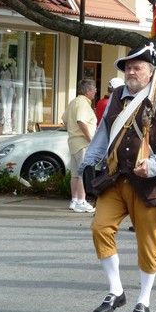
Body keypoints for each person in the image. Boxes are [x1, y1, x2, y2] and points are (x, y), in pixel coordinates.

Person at [80, 43, 156, 312]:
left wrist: (155, 165)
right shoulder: (116, 97)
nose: (131, 71)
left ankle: (143, 300)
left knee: (147, 243)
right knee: (100, 227)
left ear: (151, 72)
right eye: (128, 67)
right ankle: (116, 290)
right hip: (115, 178)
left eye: (137, 67)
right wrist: (90, 161)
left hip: (146, 182)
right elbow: (103, 132)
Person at [62, 79, 98, 213]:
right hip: (83, 142)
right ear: (88, 91)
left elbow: (65, 120)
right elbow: (81, 121)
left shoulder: (74, 102)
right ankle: (82, 201)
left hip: (73, 141)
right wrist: (90, 138)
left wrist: (72, 131)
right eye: (94, 88)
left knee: (75, 173)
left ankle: (75, 200)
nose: (95, 91)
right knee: (83, 172)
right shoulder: (83, 103)